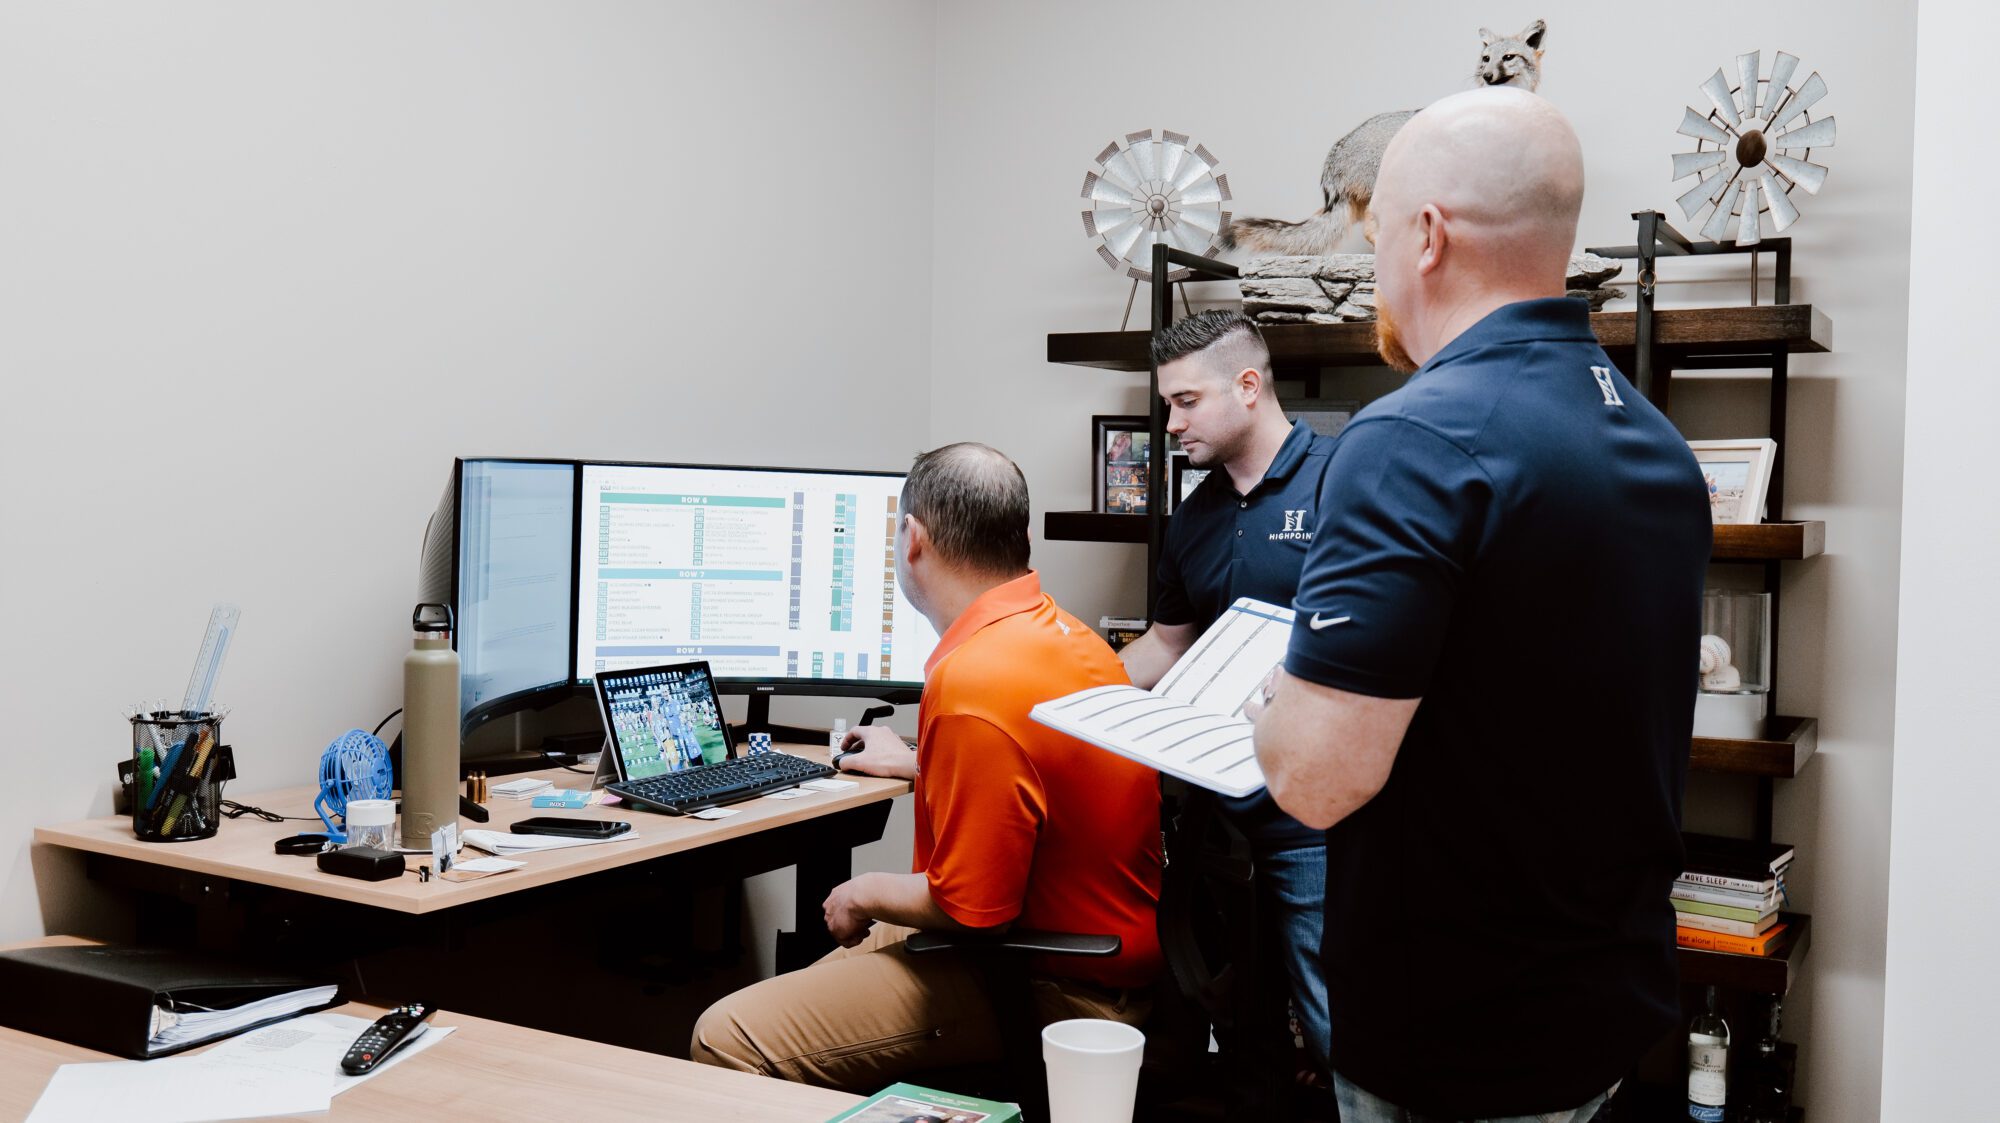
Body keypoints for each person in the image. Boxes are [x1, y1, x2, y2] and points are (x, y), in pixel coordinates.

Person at [1248, 87, 1712, 1122]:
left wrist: (1271, 700)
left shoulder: (1408, 440)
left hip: (1450, 1040)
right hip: (1593, 1016)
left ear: (1424, 235)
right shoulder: (1653, 444)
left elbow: (1315, 779)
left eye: (1370, 239)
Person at [690, 442, 1163, 1089]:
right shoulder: (1064, 636)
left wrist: (861, 891)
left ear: (912, 538)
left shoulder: (975, 681)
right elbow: (1034, 779)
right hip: (1085, 949)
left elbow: (972, 907)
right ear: (1020, 535)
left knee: (727, 1037)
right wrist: (920, 762)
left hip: (1050, 983)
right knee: (806, 989)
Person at [1116, 308, 1336, 1072]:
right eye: (1166, 403)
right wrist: (1078, 685)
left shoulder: (1342, 480)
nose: (1171, 423)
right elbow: (1167, 644)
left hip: (1318, 818)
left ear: (1248, 386)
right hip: (1217, 816)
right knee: (1239, 1035)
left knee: (1337, 1022)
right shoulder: (1194, 517)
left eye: (1185, 402)